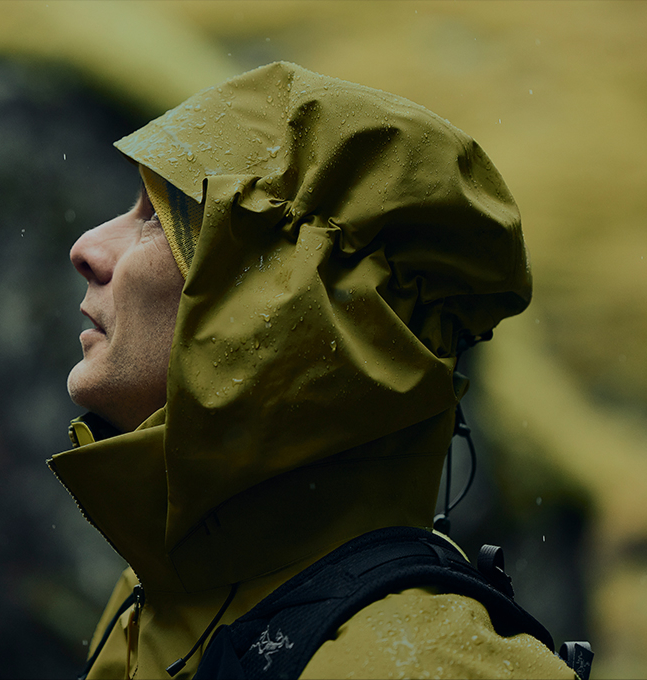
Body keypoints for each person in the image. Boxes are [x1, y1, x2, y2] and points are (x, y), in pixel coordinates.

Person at [49, 62, 579, 679]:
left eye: (159, 217)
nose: (87, 248)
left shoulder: (427, 667)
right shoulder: (157, 594)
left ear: (284, 301)